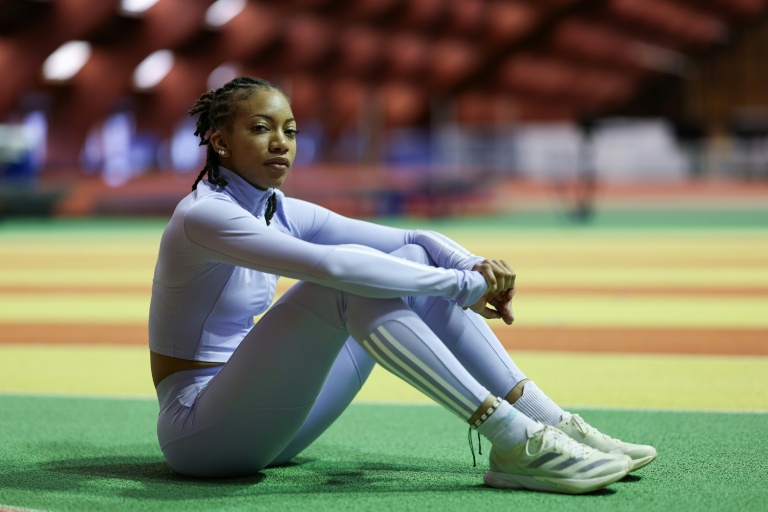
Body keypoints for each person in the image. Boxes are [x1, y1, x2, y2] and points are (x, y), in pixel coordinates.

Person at [148, 76, 656, 494]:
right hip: (201, 432)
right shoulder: (205, 216)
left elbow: (413, 239)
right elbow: (336, 269)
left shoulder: (276, 208)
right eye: (261, 128)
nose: (281, 142)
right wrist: (459, 286)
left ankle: (549, 420)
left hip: (270, 423)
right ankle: (513, 439)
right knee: (346, 285)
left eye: (291, 130)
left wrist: (474, 265)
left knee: (404, 262)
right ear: (220, 141)